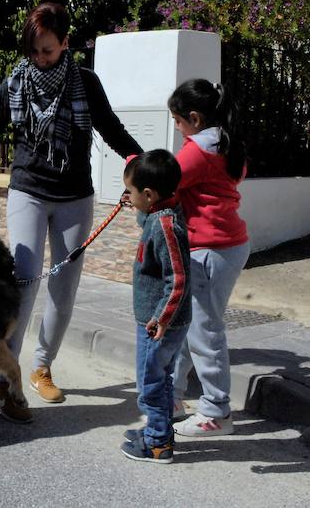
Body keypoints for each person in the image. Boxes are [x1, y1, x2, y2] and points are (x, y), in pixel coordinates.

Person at [0, 1, 142, 422]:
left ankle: (41, 367)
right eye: (35, 51)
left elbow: (112, 130)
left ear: (65, 43)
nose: (40, 58)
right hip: (28, 192)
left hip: (75, 196)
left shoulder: (85, 83)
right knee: (22, 286)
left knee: (64, 288)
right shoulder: (15, 83)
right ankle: (6, 379)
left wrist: (142, 166)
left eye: (48, 51)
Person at [167, 79, 250, 437]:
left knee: (204, 331)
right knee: (190, 327)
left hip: (210, 250)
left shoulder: (198, 151)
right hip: (225, 246)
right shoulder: (227, 144)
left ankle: (216, 412)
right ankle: (172, 397)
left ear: (195, 118)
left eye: (178, 120)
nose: (176, 127)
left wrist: (136, 174)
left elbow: (166, 180)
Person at [119, 149, 191, 463]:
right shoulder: (160, 213)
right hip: (159, 321)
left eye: (131, 191)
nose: (129, 196)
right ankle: (158, 431)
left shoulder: (165, 227)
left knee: (150, 383)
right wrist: (134, 204)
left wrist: (162, 318)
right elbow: (146, 216)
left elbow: (178, 278)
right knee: (160, 378)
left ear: (149, 195)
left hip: (159, 324)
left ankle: (157, 444)